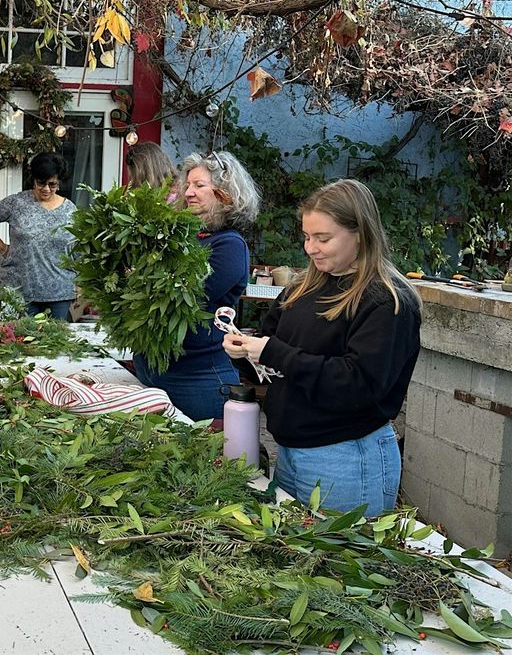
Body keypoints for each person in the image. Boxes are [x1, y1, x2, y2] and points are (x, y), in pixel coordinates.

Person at [223, 180, 421, 515]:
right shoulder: (300, 289)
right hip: (290, 452)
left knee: (338, 563)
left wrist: (271, 352)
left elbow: (359, 384)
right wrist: (245, 353)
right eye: (306, 237)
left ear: (359, 233)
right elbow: (277, 363)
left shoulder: (386, 301)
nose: (311, 248)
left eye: (323, 238)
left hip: (346, 460)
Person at [132, 150, 260, 421]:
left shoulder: (229, 245)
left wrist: (139, 279)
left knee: (202, 456)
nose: (188, 192)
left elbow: (180, 297)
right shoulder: (187, 236)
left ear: (224, 193)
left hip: (197, 379)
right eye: (187, 184)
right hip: (156, 370)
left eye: (199, 185)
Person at [0, 153, 77, 319]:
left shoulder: (70, 210)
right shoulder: (17, 203)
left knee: (57, 342)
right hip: (19, 289)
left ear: (59, 182)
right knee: (17, 341)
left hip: (59, 292)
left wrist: (80, 284)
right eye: (41, 183)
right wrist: (2, 248)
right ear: (34, 180)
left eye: (52, 184)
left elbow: (77, 247)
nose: (46, 189)